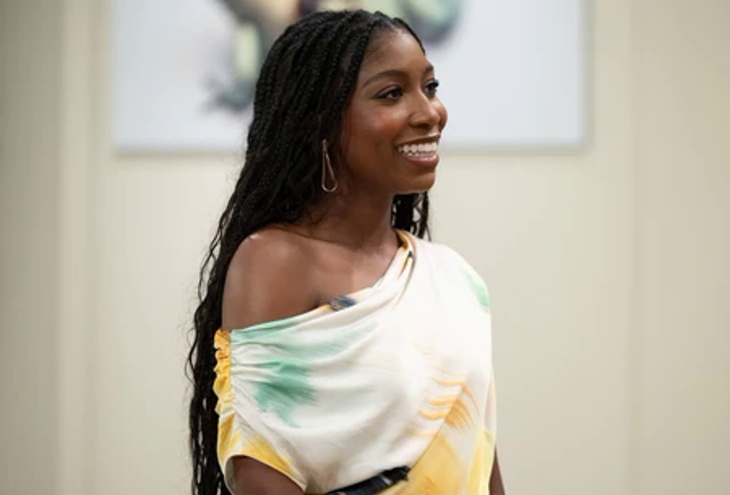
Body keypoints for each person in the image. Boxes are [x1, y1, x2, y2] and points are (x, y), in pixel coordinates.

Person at [188, 9, 505, 495]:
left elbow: (479, 458)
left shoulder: (455, 279)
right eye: (392, 93)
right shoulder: (275, 262)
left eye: (430, 87)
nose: (430, 112)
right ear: (321, 120)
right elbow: (262, 470)